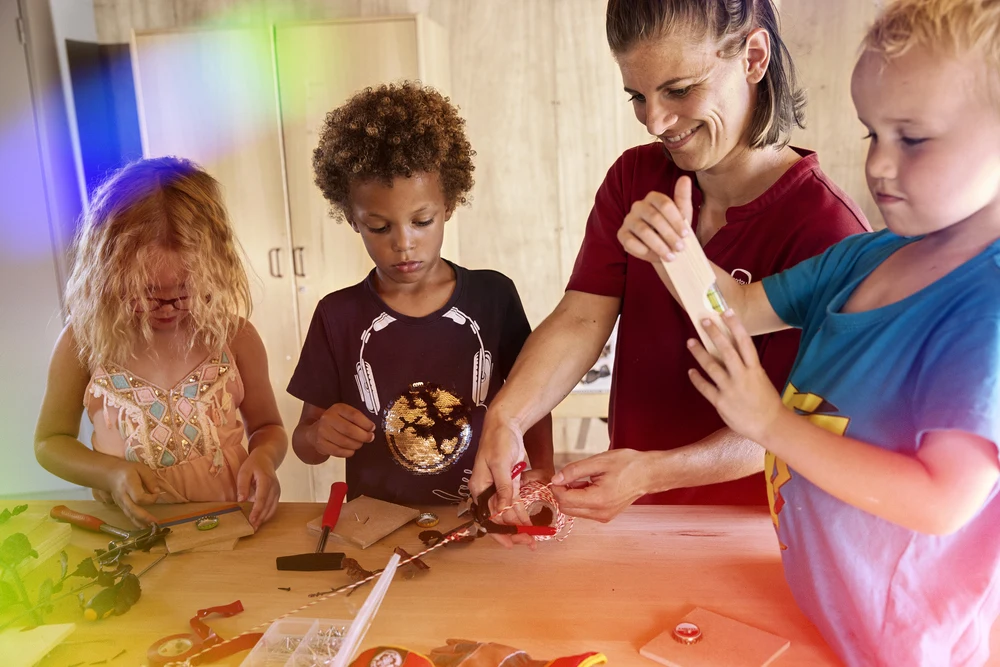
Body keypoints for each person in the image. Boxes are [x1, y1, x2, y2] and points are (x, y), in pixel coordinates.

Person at [622, 0, 1000, 663]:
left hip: (901, 645)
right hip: (818, 606)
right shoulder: (865, 257)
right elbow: (734, 307)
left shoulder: (985, 306)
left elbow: (942, 500)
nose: (880, 166)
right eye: (871, 134)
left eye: (911, 138)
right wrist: (676, 249)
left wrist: (768, 421)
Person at [470, 0, 870, 526]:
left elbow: (797, 427)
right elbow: (582, 317)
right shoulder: (633, 178)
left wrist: (654, 473)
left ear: (753, 57)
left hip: (752, 537)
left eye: (680, 90)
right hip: (634, 518)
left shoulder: (829, 231)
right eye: (638, 95)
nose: (655, 120)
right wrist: (507, 417)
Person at [288, 82, 553, 506]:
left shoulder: (494, 296)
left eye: (422, 221)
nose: (403, 243)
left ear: (449, 204)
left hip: (482, 515)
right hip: (376, 528)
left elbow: (535, 399)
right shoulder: (336, 315)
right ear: (352, 219)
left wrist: (543, 470)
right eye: (379, 227)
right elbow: (305, 443)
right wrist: (319, 436)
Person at [34, 157, 287, 529]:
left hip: (227, 524)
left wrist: (264, 457)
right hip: (129, 532)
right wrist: (111, 473)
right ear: (107, 274)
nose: (167, 307)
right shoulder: (84, 342)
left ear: (215, 270)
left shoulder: (235, 336)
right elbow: (50, 442)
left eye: (185, 290)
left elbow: (269, 427)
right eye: (147, 292)